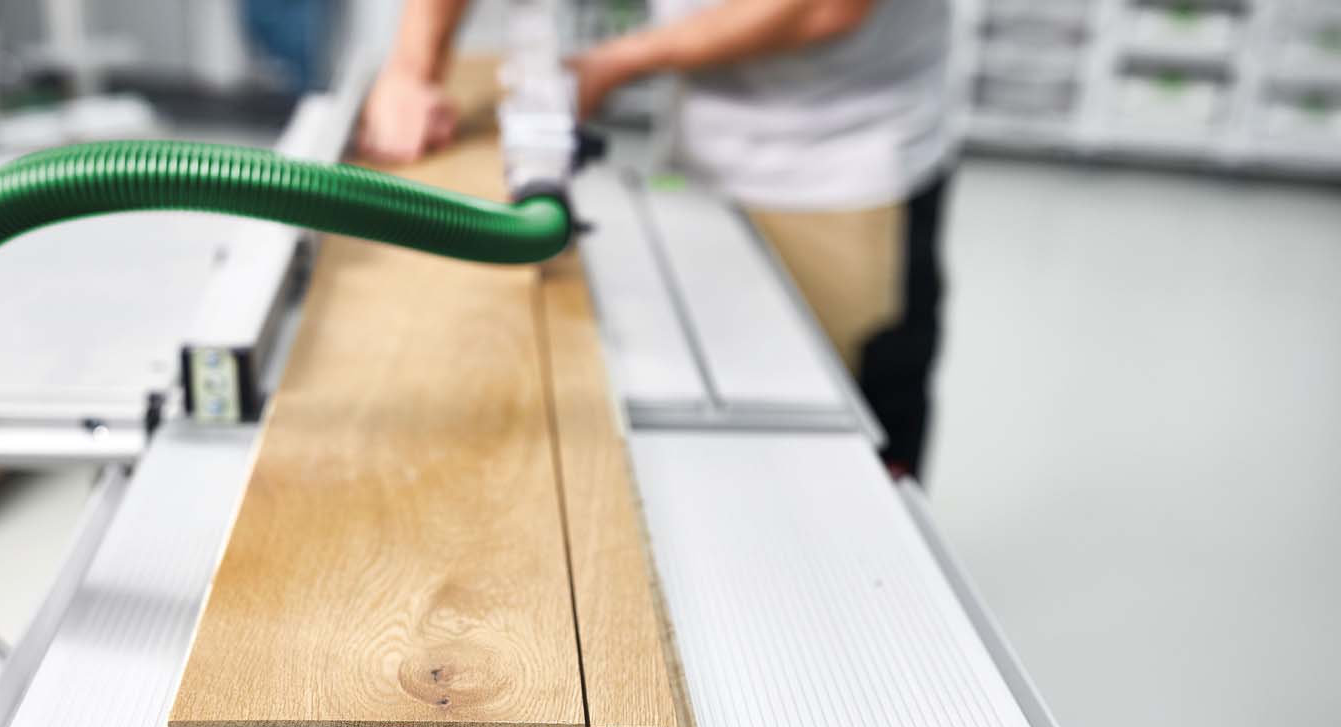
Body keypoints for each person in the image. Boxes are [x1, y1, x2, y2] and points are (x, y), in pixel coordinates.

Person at [359, 0, 954, 478]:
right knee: (719, 409)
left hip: (847, 168)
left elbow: (826, 7)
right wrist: (411, 70)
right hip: (706, 140)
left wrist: (616, 62)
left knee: (841, 439)